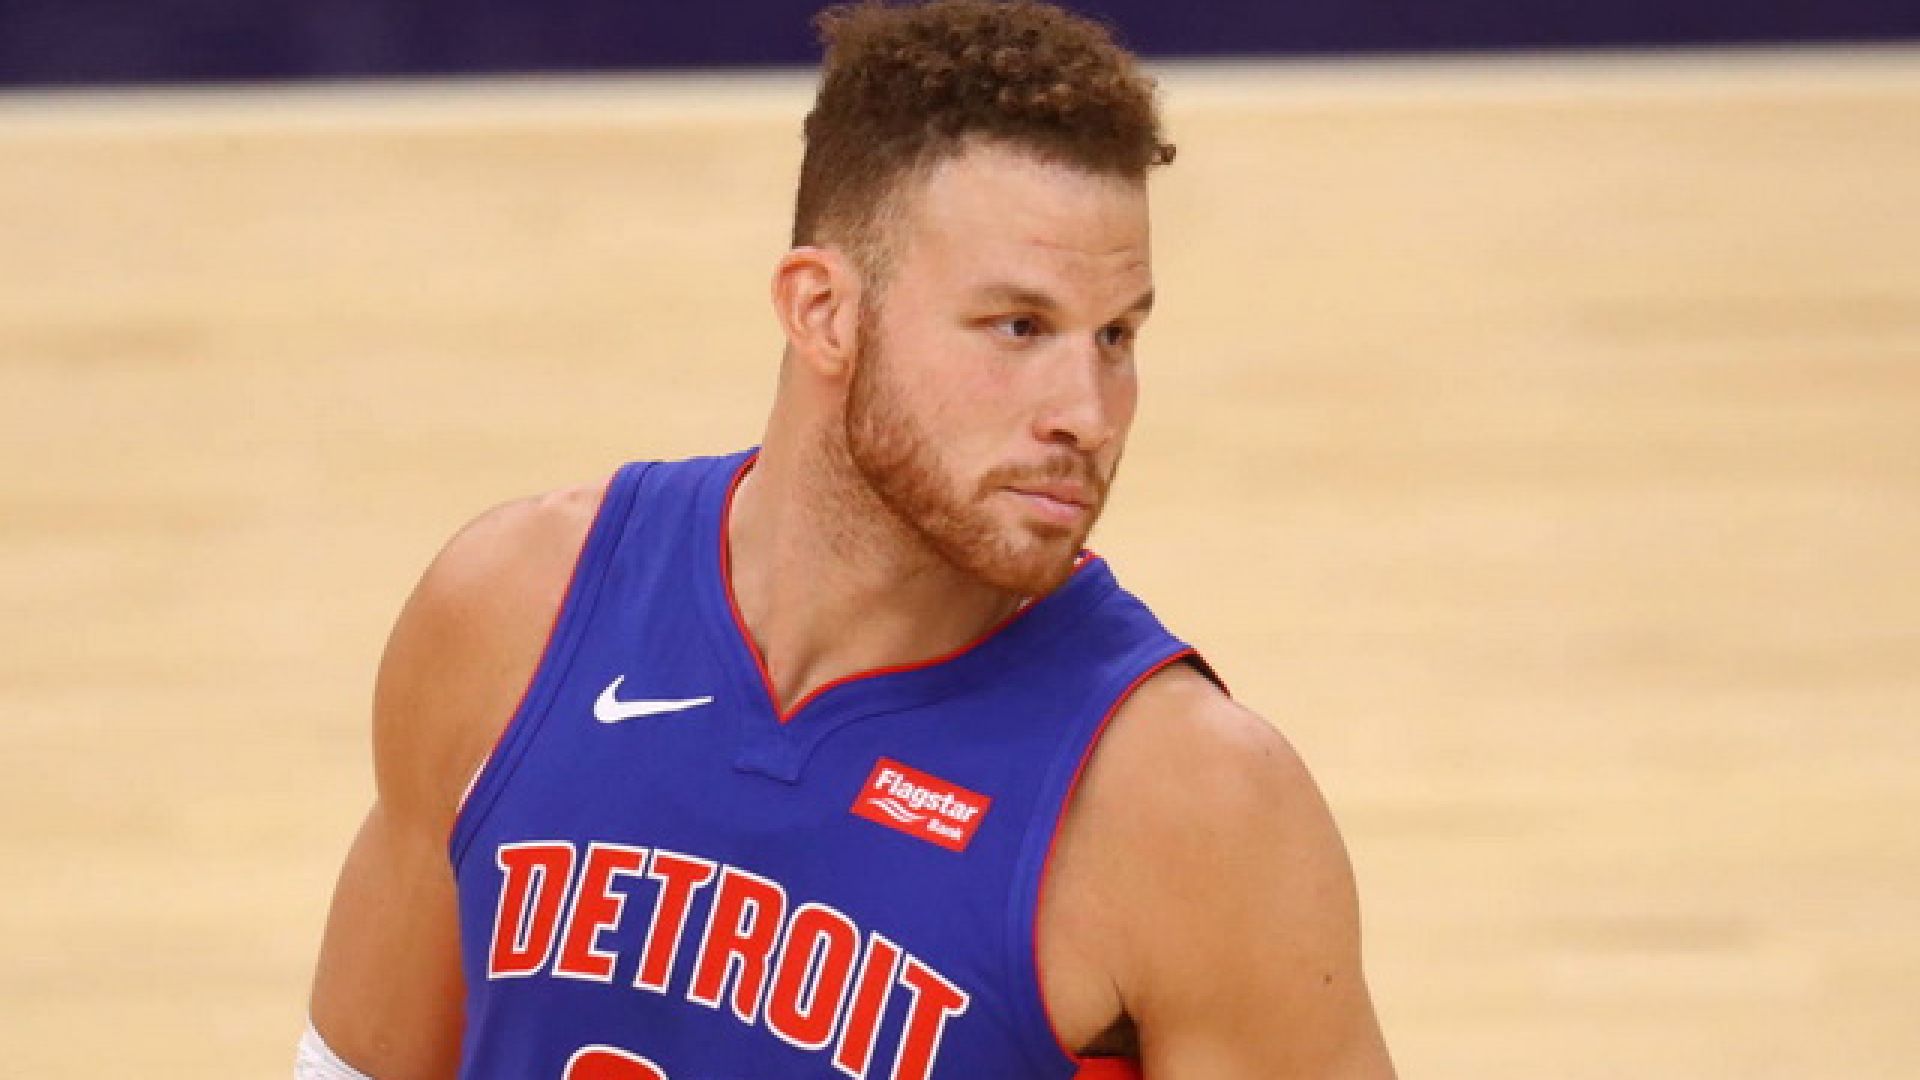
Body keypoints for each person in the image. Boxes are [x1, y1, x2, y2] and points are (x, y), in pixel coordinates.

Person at [301, 2, 1395, 1077]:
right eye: (1019, 327)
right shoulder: (514, 606)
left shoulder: (1191, 804)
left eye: (1114, 335)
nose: (1089, 413)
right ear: (823, 310)